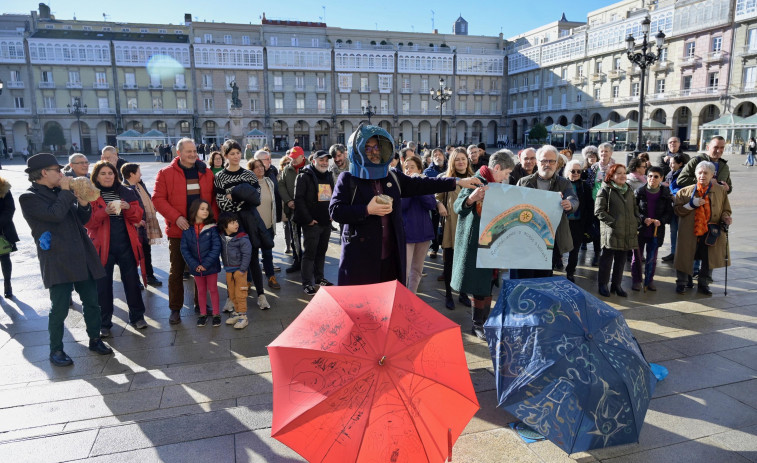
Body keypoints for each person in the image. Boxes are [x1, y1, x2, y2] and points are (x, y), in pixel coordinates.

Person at [329, 125, 481, 286]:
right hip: (361, 259)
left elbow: (422, 183)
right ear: (357, 150)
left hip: (390, 257)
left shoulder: (392, 176)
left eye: (377, 147)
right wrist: (367, 210)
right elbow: (335, 211)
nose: (373, 152)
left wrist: (456, 181)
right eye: (367, 148)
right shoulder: (348, 179)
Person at [19, 153, 113, 366]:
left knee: (92, 301)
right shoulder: (29, 197)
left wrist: (82, 202)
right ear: (44, 173)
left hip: (81, 254)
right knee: (59, 306)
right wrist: (65, 191)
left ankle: (95, 339)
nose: (62, 174)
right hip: (58, 258)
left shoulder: (61, 192)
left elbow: (82, 219)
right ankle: (56, 349)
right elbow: (54, 215)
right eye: (57, 170)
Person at [153, 138, 218, 325]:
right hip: (179, 230)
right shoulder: (165, 173)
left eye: (194, 151)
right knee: (176, 272)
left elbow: (213, 199)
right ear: (178, 153)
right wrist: (176, 217)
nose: (192, 154)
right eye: (188, 151)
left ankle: (201, 305)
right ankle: (175, 308)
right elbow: (158, 199)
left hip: (202, 230)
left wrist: (211, 221)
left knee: (202, 269)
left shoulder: (205, 172)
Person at [451, 150, 515, 339]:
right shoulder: (477, 180)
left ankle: (484, 322)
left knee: (487, 282)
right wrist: (472, 198)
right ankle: (477, 324)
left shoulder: (496, 184)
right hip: (475, 243)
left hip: (491, 241)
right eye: (506, 172)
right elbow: (458, 207)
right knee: (479, 284)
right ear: (497, 168)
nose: (507, 176)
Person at [85, 161, 148, 335]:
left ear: (116, 175)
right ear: (96, 176)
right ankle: (104, 323)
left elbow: (137, 217)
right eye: (103, 173)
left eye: (110, 173)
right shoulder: (90, 194)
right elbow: (88, 222)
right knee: (103, 286)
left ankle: (137, 317)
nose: (107, 176)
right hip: (102, 246)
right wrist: (104, 212)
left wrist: (128, 208)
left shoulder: (126, 191)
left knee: (132, 283)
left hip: (125, 243)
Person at [213, 140, 270, 310]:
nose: (236, 156)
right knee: (231, 261)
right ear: (226, 156)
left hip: (249, 221)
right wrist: (242, 196)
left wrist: (234, 195)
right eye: (232, 154)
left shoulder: (249, 175)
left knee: (253, 258)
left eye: (238, 153)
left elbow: (256, 199)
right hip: (229, 222)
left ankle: (261, 294)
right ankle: (232, 297)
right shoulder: (220, 177)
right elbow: (222, 202)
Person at [512, 145, 577, 278]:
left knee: (544, 278)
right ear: (537, 162)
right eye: (543, 161)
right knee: (525, 276)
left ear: (557, 163)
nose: (547, 164)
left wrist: (569, 204)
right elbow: (514, 206)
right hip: (527, 240)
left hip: (551, 242)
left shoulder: (564, 183)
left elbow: (573, 199)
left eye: (551, 161)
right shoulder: (524, 182)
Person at [673, 161, 732, 295]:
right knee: (685, 256)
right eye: (700, 172)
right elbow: (677, 210)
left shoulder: (720, 191)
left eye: (706, 173)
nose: (702, 176)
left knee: (708, 258)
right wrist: (690, 205)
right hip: (690, 231)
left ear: (712, 175)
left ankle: (703, 283)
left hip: (710, 231)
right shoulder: (684, 192)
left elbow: (726, 210)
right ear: (695, 174)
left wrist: (726, 217)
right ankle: (682, 283)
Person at [595, 164, 640, 297]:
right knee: (607, 260)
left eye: (624, 173)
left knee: (621, 261)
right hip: (612, 231)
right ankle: (603, 285)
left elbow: (635, 208)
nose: (622, 176)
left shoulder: (629, 190)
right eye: (618, 173)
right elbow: (599, 211)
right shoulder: (605, 190)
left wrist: (636, 220)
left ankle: (617, 285)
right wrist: (614, 223)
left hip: (628, 231)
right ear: (612, 175)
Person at [436, 147, 473, 309]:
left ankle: (463, 293)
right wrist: (438, 205)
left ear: (467, 160)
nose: (460, 162)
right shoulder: (446, 179)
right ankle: (449, 295)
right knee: (449, 262)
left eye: (463, 158)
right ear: (452, 162)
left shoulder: (475, 179)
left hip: (469, 225)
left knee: (465, 262)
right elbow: (436, 197)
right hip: (451, 226)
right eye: (457, 159)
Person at [294, 150, 335, 295]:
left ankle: (319, 278)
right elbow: (298, 199)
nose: (324, 163)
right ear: (314, 161)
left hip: (326, 221)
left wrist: (332, 213)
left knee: (322, 251)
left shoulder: (329, 175)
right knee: (310, 253)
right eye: (321, 160)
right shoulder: (304, 176)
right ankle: (306, 283)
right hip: (312, 223)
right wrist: (308, 219)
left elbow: (333, 195)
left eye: (326, 160)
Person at [630, 166, 673, 292]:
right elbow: (634, 210)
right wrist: (643, 218)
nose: (652, 179)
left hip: (656, 230)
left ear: (661, 178)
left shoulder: (665, 193)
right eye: (649, 176)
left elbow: (668, 212)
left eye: (655, 177)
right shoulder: (639, 191)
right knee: (636, 257)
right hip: (641, 229)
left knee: (652, 258)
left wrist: (661, 221)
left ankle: (649, 280)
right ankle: (636, 280)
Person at [180, 199, 222, 326]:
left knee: (213, 289)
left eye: (207, 209)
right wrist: (194, 265)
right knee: (201, 290)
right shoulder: (187, 230)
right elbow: (184, 249)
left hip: (211, 266)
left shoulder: (212, 228)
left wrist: (206, 264)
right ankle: (202, 314)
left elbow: (216, 247)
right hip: (197, 268)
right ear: (195, 211)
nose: (205, 211)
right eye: (202, 209)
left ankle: (216, 314)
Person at [121, 163, 163, 287]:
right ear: (132, 174)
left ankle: (149, 276)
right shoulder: (124, 189)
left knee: (146, 252)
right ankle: (136, 281)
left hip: (145, 225)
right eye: (139, 172)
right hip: (133, 228)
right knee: (134, 256)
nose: (141, 174)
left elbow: (149, 199)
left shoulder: (140, 185)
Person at [401, 156, 436, 294]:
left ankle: (412, 297)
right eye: (406, 167)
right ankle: (402, 298)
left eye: (412, 167)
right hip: (407, 233)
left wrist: (418, 185)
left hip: (423, 231)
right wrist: (412, 188)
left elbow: (431, 204)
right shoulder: (401, 184)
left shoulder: (425, 183)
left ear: (419, 169)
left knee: (417, 269)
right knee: (404, 269)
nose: (409, 170)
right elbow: (402, 205)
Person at [218, 212, 253, 329]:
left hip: (240, 271)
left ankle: (244, 317)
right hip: (229, 270)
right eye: (232, 223)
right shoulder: (222, 237)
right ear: (224, 226)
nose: (236, 224)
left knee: (241, 293)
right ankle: (238, 313)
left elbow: (247, 254)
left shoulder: (242, 237)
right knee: (232, 294)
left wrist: (242, 270)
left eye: (236, 221)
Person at [249, 158, 279, 289]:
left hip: (268, 226)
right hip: (254, 227)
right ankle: (249, 281)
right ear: (251, 170)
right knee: (252, 256)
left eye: (261, 166)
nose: (260, 169)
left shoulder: (269, 182)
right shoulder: (248, 184)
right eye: (256, 167)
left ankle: (271, 277)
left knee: (268, 254)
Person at [564, 160, 593, 283]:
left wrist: (588, 224)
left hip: (578, 223)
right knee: (558, 248)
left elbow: (589, 207)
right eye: (573, 171)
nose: (576, 173)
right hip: (563, 223)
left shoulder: (585, 186)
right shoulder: (562, 185)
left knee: (575, 250)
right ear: (567, 172)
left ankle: (570, 272)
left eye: (578, 171)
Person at [279, 146, 306, 274]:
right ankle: (297, 260)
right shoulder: (287, 169)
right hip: (292, 210)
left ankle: (309, 262)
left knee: (308, 237)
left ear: (302, 156)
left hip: (307, 210)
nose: (293, 160)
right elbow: (281, 185)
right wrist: (288, 200)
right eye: (292, 158)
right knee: (295, 236)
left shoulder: (309, 168)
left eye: (295, 158)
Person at [661, 154, 686, 263]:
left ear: (680, 164)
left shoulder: (683, 175)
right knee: (673, 230)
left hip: (680, 205)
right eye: (670, 163)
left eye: (673, 163)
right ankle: (673, 252)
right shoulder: (670, 174)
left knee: (680, 231)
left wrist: (671, 192)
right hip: (671, 205)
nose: (671, 165)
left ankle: (680, 253)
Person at [423, 148, 446, 259]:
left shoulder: (449, 168)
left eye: (439, 154)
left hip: (448, 201)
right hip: (434, 202)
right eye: (435, 155)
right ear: (431, 158)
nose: (437, 156)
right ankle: (434, 247)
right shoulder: (428, 171)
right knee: (434, 225)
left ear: (444, 156)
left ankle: (446, 247)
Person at [0, 175, 19, 298]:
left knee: (4, 257)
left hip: (3, 229)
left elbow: (10, 209)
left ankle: (7, 284)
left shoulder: (3, 187)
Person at [278, 155, 294, 254]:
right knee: (286, 226)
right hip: (284, 204)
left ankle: (294, 244)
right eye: (285, 163)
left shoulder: (294, 173)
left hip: (294, 203)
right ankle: (288, 245)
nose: (287, 165)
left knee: (294, 226)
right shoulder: (279, 174)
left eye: (289, 163)